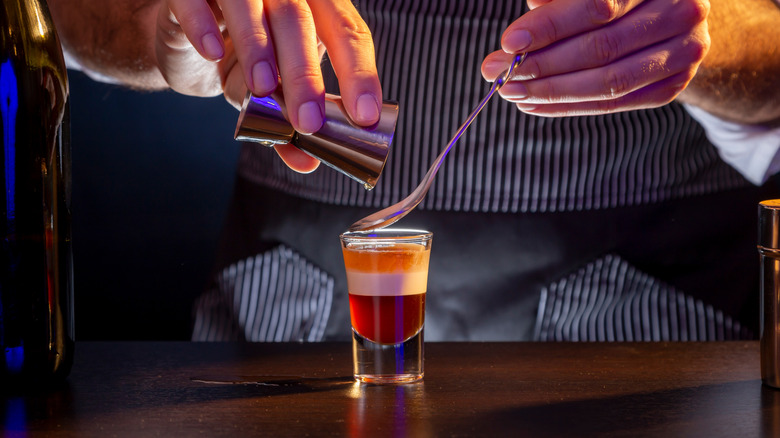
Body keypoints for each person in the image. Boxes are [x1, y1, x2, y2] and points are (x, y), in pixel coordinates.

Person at [50, 0, 780, 342]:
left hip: (650, 337)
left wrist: (709, 33)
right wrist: (160, 25)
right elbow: (73, 11)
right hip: (281, 324)